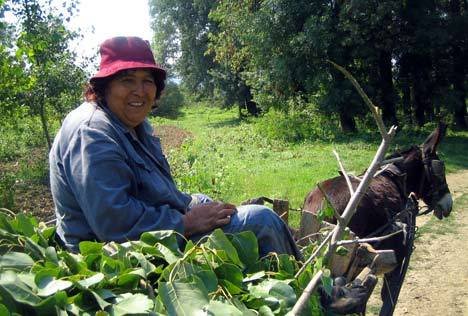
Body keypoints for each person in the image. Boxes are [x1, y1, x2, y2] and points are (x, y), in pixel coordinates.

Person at [49, 36, 301, 260]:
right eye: (127, 80)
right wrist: (187, 222)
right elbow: (114, 224)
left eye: (147, 80)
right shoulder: (93, 133)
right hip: (116, 255)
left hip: (145, 238)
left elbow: (155, 191)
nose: (139, 91)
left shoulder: (132, 124)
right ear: (104, 87)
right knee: (261, 219)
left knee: (207, 202)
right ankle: (315, 301)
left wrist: (194, 206)